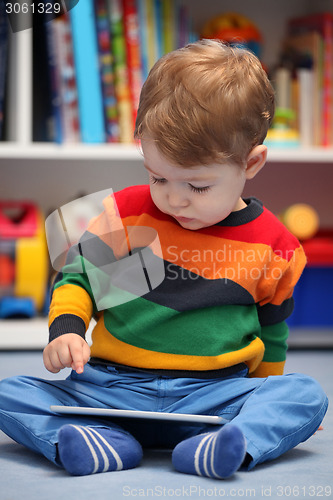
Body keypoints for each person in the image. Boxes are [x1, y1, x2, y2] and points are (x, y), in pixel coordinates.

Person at [0, 39, 328, 479]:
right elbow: (81, 281)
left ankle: (222, 445)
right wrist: (67, 329)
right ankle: (105, 444)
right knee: (11, 392)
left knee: (304, 395)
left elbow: (273, 331)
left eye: (197, 186)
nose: (175, 199)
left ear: (251, 163)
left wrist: (261, 401)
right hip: (111, 390)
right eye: (158, 177)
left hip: (213, 398)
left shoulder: (276, 245)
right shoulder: (126, 214)